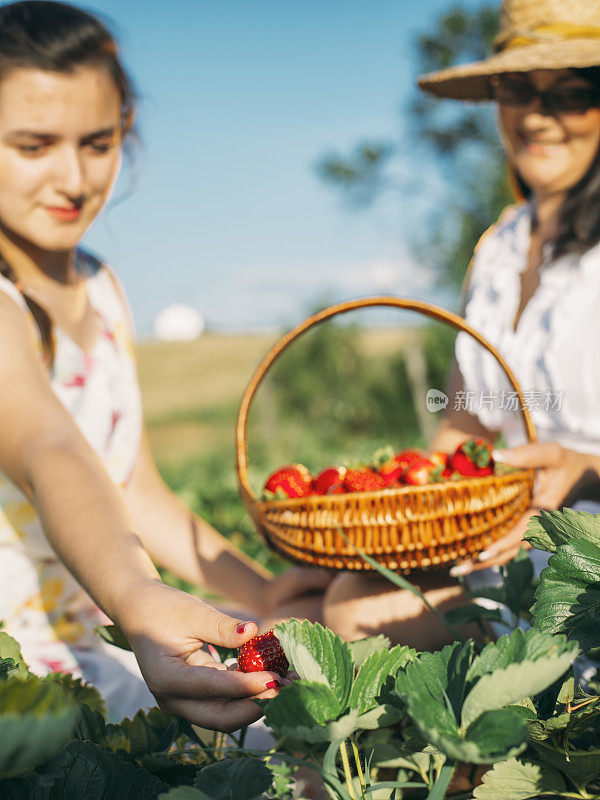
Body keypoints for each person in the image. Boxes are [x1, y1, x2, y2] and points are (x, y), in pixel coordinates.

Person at [0, 0, 329, 726]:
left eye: (95, 142)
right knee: (279, 734)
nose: (72, 177)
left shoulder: (103, 287)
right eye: (32, 145)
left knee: (321, 667)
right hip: (21, 650)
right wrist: (140, 600)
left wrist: (263, 593)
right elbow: (49, 448)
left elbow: (137, 492)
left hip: (109, 618)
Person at [322, 0, 600, 648]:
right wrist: (392, 516)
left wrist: (583, 466)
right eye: (517, 90)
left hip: (586, 559)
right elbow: (466, 424)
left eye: (573, 94)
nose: (537, 116)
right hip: (498, 537)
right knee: (334, 592)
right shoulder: (499, 246)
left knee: (352, 615)